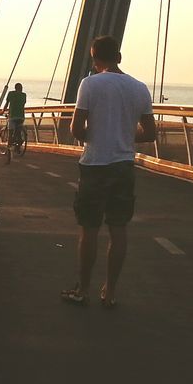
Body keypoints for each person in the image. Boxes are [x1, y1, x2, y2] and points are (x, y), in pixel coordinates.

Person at [62, 36, 156, 309]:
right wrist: (124, 135)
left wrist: (99, 135)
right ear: (120, 56)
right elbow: (149, 132)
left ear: (94, 58)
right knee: (119, 229)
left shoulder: (90, 84)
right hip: (124, 165)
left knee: (89, 229)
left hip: (94, 165)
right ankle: (111, 291)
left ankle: (83, 289)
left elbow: (76, 129)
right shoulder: (139, 88)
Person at [4, 82, 27, 154]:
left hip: (12, 116)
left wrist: (2, 111)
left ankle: (8, 150)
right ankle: (18, 145)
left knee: (10, 133)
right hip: (21, 116)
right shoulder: (24, 95)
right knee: (18, 132)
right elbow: (23, 104)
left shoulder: (11, 94)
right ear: (21, 88)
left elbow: (7, 104)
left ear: (15, 88)